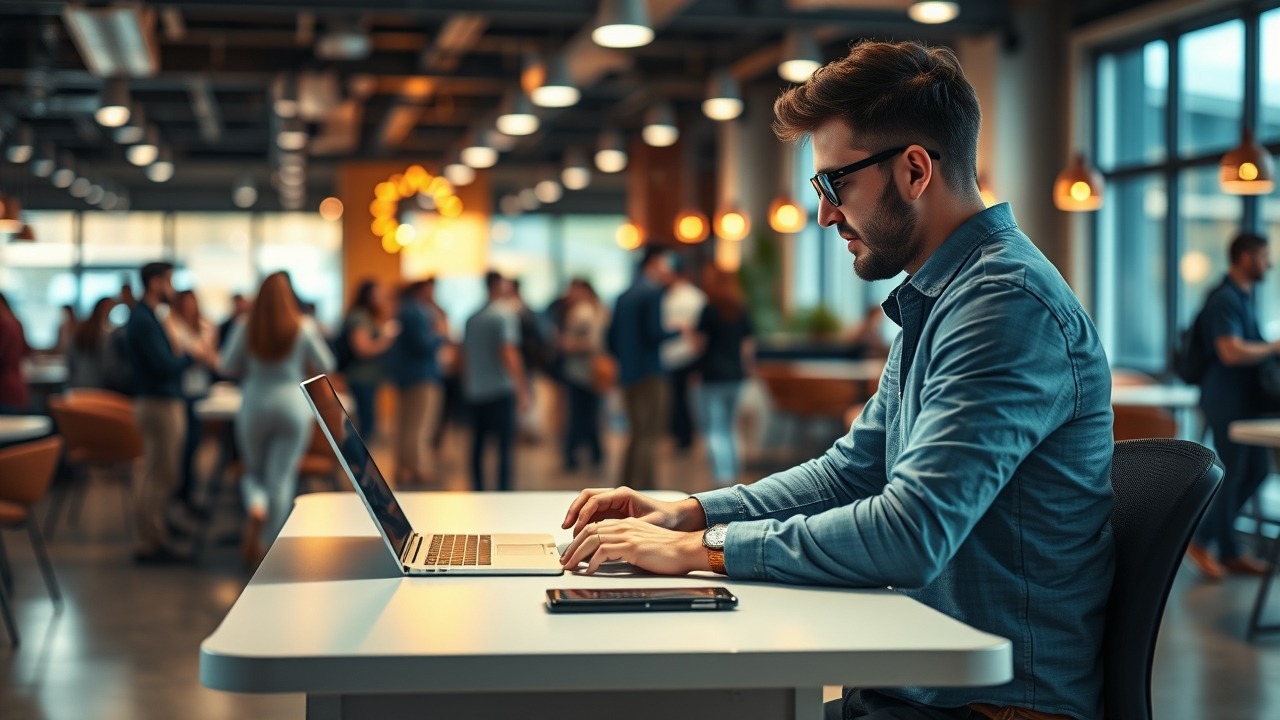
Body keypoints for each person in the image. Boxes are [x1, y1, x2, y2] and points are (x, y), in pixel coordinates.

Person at [560, 40, 1113, 720]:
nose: (824, 214)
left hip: (986, 708)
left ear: (914, 170)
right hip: (914, 687)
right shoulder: (946, 297)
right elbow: (849, 473)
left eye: (835, 184)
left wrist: (701, 551)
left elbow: (911, 533)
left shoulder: (1006, 303)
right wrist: (687, 513)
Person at [220, 272, 335, 568]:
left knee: (253, 473)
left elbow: (226, 365)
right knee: (282, 478)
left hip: (255, 402)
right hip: (293, 405)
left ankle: (257, 507)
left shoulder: (245, 326)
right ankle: (272, 548)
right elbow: (327, 364)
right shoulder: (304, 326)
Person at [1186, 232, 1276, 580]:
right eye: (1264, 256)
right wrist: (1273, 348)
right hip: (1226, 400)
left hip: (1243, 402)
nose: (1269, 263)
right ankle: (1204, 539)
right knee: (1237, 471)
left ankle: (1222, 545)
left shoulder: (1242, 297)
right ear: (1246, 258)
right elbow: (1229, 350)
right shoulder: (1224, 299)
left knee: (1255, 472)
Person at [124, 262, 215, 563]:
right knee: (157, 472)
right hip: (159, 402)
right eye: (168, 282)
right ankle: (150, 543)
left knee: (163, 471)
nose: (171, 289)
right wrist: (191, 356)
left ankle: (156, 532)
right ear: (154, 283)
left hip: (160, 400)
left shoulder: (148, 317)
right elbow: (164, 366)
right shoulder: (144, 320)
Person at [607, 247, 682, 489]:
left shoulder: (624, 296)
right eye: (664, 262)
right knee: (650, 435)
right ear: (653, 263)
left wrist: (625, 360)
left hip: (627, 372)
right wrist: (678, 330)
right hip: (650, 372)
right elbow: (653, 333)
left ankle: (624, 486)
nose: (667, 268)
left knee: (636, 434)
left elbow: (611, 338)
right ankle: (648, 491)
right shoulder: (652, 292)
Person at [461, 271, 528, 491]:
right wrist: (522, 389)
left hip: (476, 389)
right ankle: (503, 490)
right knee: (504, 447)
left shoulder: (471, 318)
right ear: (499, 286)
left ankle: (477, 488)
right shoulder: (503, 315)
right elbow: (509, 352)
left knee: (478, 444)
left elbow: (465, 356)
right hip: (500, 389)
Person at [694, 267, 754, 486]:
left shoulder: (708, 310)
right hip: (735, 376)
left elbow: (700, 345)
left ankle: (722, 476)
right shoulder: (740, 308)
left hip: (711, 375)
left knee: (715, 428)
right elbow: (747, 348)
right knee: (731, 428)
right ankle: (734, 473)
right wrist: (747, 372)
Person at [386, 279, 446, 486]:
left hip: (406, 376)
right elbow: (424, 345)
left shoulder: (405, 310)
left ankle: (405, 467)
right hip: (422, 376)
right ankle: (418, 468)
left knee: (406, 424)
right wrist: (440, 335)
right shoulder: (418, 312)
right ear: (424, 289)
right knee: (420, 425)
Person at [171, 290, 218, 517]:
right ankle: (183, 496)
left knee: (196, 444)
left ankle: (191, 494)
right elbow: (188, 355)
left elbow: (209, 357)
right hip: (183, 391)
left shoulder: (203, 327)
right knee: (185, 446)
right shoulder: (173, 326)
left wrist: (201, 354)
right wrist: (200, 354)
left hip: (201, 389)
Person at [340, 280, 399, 441]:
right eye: (377, 295)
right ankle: (358, 462)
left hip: (368, 377)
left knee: (367, 422)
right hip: (360, 377)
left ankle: (360, 460)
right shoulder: (359, 317)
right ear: (367, 296)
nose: (381, 299)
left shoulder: (368, 317)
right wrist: (387, 340)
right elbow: (362, 348)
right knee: (365, 424)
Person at [560, 280, 608, 473]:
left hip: (581, 372)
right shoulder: (598, 309)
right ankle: (595, 454)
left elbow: (590, 342)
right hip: (591, 371)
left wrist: (565, 343)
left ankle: (574, 455)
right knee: (590, 415)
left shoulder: (582, 312)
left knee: (579, 416)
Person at [661, 257, 707, 452]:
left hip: (675, 354)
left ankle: (682, 437)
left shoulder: (667, 297)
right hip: (689, 354)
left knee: (678, 400)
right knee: (684, 400)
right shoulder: (697, 297)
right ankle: (684, 437)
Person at [67, 297, 117, 389]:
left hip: (78, 384)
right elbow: (109, 366)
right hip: (99, 387)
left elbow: (70, 360)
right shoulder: (107, 334)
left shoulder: (82, 328)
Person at [0, 292, 30, 414]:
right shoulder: (16, 322)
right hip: (17, 386)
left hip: (4, 389)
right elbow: (27, 351)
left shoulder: (3, 324)